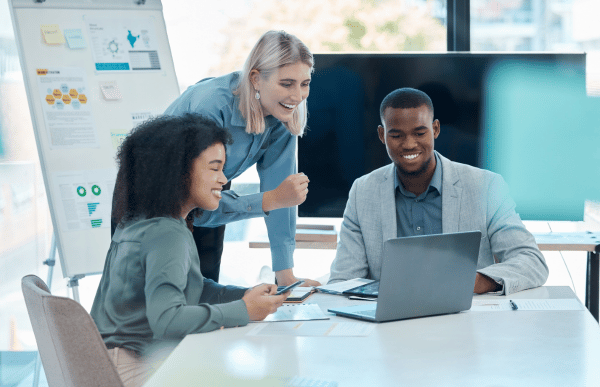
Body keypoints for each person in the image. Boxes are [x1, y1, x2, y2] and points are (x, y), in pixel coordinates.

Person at [92, 114, 289, 386]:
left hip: (109, 363)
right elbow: (167, 319)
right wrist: (244, 309)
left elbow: (188, 286)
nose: (223, 179)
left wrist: (243, 296)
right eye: (214, 168)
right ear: (179, 172)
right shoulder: (167, 233)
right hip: (135, 371)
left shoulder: (141, 222)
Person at [328, 88, 548, 295]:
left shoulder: (486, 186)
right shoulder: (363, 191)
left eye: (419, 133)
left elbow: (531, 261)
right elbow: (344, 279)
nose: (409, 144)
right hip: (389, 323)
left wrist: (472, 281)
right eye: (396, 136)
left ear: (435, 129)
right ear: (381, 135)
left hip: (466, 319)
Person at [164, 30, 319, 287]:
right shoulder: (211, 107)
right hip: (159, 199)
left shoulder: (282, 116)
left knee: (205, 297)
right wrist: (269, 200)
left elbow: (282, 195)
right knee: (166, 307)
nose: (297, 96)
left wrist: (285, 274)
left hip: (209, 192)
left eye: (305, 84)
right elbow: (192, 204)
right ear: (256, 79)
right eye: (287, 83)